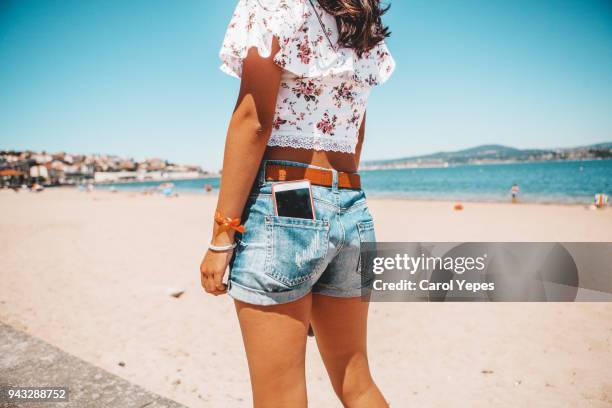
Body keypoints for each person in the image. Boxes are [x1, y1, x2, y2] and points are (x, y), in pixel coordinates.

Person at [199, 0, 395, 406]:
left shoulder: (272, 6)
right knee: (356, 382)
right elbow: (354, 135)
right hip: (351, 204)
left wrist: (222, 235)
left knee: (279, 397)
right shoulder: (362, 22)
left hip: (285, 203)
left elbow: (254, 122)